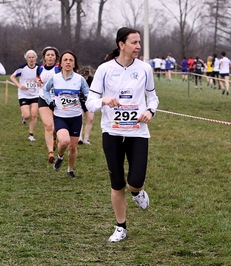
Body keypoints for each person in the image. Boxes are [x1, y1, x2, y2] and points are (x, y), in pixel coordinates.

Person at [85, 27, 159, 243]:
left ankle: (137, 192)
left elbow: (153, 98)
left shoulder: (145, 69)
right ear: (121, 44)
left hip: (138, 133)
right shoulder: (104, 69)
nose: (138, 46)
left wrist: (149, 111)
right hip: (112, 132)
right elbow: (90, 102)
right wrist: (104, 101)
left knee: (135, 181)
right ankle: (121, 226)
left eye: (139, 43)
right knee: (117, 183)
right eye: (134, 42)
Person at [43, 50, 89, 178]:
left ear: (74, 64)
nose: (68, 62)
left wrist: (84, 98)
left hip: (75, 117)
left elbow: (89, 94)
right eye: (65, 60)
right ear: (61, 63)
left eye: (71, 60)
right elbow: (45, 90)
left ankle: (70, 170)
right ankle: (60, 156)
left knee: (73, 147)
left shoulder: (79, 79)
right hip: (60, 116)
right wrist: (49, 101)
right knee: (64, 141)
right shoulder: (55, 78)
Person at [37, 46, 60, 163]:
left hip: (57, 100)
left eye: (52, 55)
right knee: (48, 126)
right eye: (48, 55)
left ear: (56, 57)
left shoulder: (59, 68)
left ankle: (55, 138)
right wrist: (38, 81)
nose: (50, 57)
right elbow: (38, 78)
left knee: (56, 127)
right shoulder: (40, 69)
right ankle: (50, 152)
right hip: (43, 98)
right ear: (44, 57)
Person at [10, 50, 40, 141]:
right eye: (29, 57)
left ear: (35, 58)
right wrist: (19, 85)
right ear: (26, 58)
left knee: (34, 114)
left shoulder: (39, 68)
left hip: (36, 94)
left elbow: (43, 77)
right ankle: (24, 117)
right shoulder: (22, 68)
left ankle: (31, 135)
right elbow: (12, 76)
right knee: (27, 115)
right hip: (24, 94)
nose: (31, 59)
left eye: (33, 57)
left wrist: (39, 81)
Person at [78, 68, 94, 145]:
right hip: (79, 101)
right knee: (80, 119)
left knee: (90, 119)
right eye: (82, 76)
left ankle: (86, 138)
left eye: (85, 76)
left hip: (89, 102)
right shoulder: (77, 80)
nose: (84, 77)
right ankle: (79, 137)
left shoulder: (91, 80)